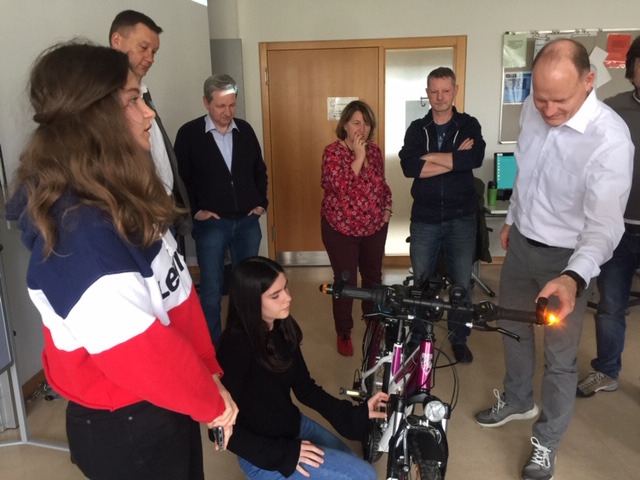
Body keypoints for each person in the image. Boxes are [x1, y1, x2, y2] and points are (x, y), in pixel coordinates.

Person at [5, 41, 238, 480]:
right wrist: (210, 401)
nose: (149, 114)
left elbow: (172, 297)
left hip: (162, 402)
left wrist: (207, 376)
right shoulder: (80, 239)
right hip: (130, 424)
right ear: (93, 120)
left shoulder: (116, 199)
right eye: (133, 100)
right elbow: (141, 356)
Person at [473, 39, 634, 480]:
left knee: (561, 359)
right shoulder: (534, 106)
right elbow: (528, 171)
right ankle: (518, 399)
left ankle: (546, 441)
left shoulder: (610, 139)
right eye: (540, 98)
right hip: (522, 245)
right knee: (512, 327)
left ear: (588, 81)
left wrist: (572, 278)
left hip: (568, 260)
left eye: (559, 101)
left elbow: (604, 226)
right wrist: (514, 218)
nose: (547, 110)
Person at [215, 256, 388, 479]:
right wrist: (286, 454)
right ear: (251, 301)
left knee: (355, 466)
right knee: (364, 475)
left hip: (293, 426)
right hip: (264, 453)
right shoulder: (234, 347)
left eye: (285, 288)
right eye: (275, 295)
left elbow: (306, 388)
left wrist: (355, 413)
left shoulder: (282, 326)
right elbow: (221, 432)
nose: (288, 298)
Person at [399, 67, 485, 363]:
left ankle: (458, 338)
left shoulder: (468, 124)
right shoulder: (417, 128)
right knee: (421, 283)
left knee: (462, 284)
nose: (440, 97)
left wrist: (430, 158)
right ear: (427, 93)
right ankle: (420, 336)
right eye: (434, 91)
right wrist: (454, 160)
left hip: (461, 218)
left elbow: (474, 158)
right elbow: (409, 167)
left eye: (445, 91)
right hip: (425, 218)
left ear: (455, 91)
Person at [175, 74, 268, 346]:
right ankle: (213, 349)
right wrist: (196, 211)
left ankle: (244, 343)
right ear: (206, 103)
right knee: (212, 290)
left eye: (232, 105)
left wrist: (261, 203)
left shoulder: (245, 131)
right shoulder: (189, 134)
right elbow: (181, 180)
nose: (227, 112)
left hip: (247, 223)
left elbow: (259, 171)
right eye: (220, 106)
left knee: (247, 288)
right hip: (211, 225)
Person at [577, 36, 640, 398]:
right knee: (610, 307)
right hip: (616, 229)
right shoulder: (612, 110)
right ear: (632, 68)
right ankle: (606, 371)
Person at [109, 10, 192, 239]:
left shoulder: (146, 93)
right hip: (138, 216)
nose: (150, 58)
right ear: (117, 40)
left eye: (154, 52)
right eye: (143, 48)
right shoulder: (104, 103)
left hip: (164, 208)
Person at [321, 100, 392, 356]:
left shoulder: (376, 152)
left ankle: (373, 323)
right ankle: (344, 332)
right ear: (345, 126)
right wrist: (359, 157)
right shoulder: (332, 152)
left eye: (367, 124)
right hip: (340, 228)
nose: (361, 129)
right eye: (356, 123)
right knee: (346, 282)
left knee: (373, 279)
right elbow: (341, 187)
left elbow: (381, 184)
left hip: (374, 227)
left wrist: (388, 207)